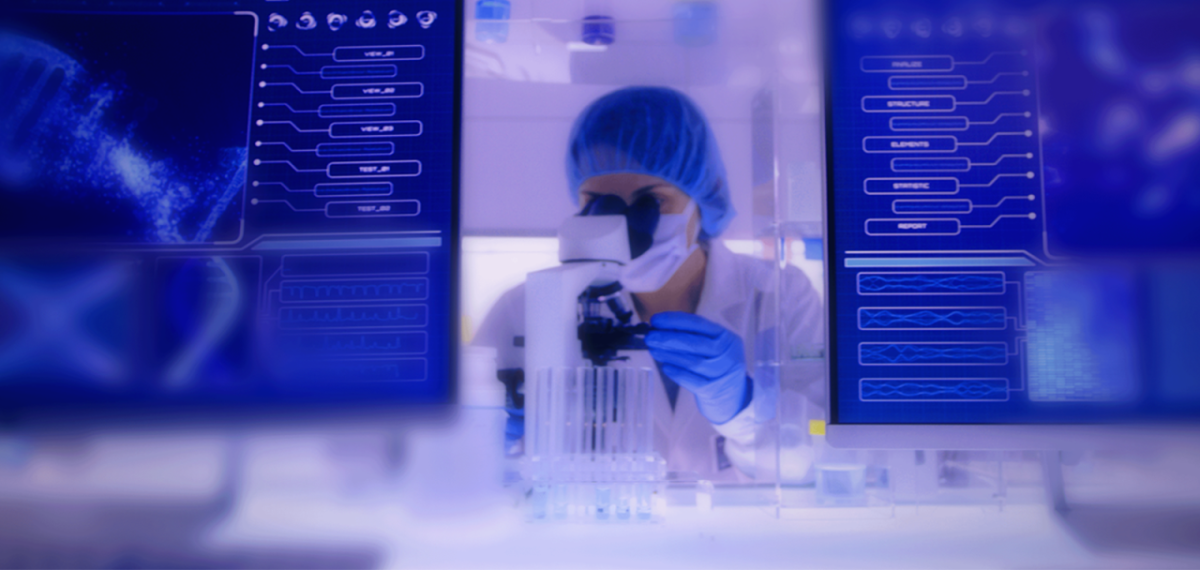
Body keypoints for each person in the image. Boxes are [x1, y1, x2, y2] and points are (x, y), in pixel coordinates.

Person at [473, 86, 823, 482]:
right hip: (596, 535)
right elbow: (458, 463)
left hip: (738, 534)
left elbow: (822, 457)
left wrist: (742, 409)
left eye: (651, 203)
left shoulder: (779, 294)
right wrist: (483, 435)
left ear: (703, 199)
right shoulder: (524, 309)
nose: (621, 224)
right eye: (596, 202)